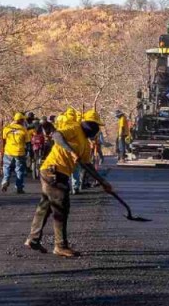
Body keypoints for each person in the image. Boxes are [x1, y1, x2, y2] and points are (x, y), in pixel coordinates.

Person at [24, 107, 113, 257]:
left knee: (45, 206)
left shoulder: (85, 143)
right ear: (86, 123)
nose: (95, 129)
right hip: (53, 171)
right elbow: (57, 136)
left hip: (61, 173)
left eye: (97, 127)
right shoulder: (74, 128)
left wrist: (103, 182)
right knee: (61, 207)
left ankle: (33, 239)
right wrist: (70, 151)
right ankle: (60, 245)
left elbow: (88, 165)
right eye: (93, 125)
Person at [0, 111, 33, 194]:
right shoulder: (23, 130)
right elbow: (28, 142)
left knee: (6, 167)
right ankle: (19, 187)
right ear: (21, 120)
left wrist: (2, 150)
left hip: (8, 151)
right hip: (20, 152)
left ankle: (5, 181)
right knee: (19, 170)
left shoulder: (7, 128)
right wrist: (29, 152)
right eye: (23, 120)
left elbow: (3, 140)